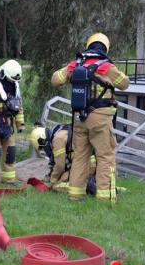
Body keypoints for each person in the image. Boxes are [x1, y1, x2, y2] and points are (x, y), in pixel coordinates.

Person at [51, 33, 130, 202]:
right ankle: (105, 198)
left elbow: (55, 79)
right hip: (100, 118)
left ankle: (75, 194)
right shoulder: (106, 66)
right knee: (105, 156)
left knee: (80, 155)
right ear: (105, 48)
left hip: (79, 117)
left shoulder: (75, 64)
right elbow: (124, 83)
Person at [30, 123, 96, 193]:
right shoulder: (60, 132)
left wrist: (52, 182)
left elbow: (59, 166)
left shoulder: (58, 139)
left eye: (41, 147)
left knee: (56, 186)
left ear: (42, 139)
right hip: (87, 163)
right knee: (63, 177)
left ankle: (89, 186)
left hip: (87, 165)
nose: (44, 149)